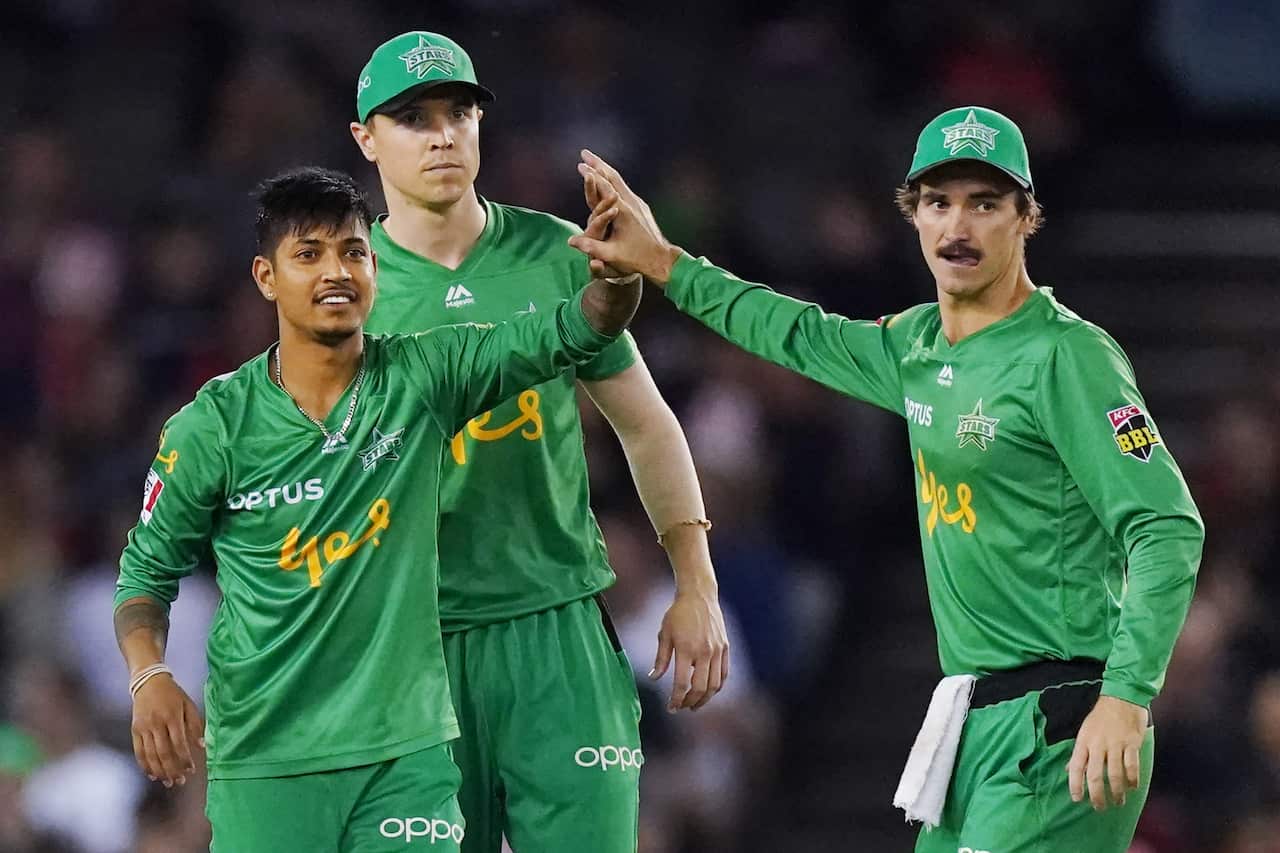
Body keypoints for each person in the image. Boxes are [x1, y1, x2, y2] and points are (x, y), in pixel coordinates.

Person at [569, 106, 1205, 853]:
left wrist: (1127, 696)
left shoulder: (1067, 357)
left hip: (1061, 721)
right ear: (914, 216)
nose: (958, 225)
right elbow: (797, 333)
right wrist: (669, 263)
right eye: (939, 202)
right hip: (972, 722)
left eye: (985, 202)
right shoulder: (918, 345)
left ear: (1026, 218)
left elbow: (1166, 525)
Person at [112, 166, 639, 853]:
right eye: (309, 254)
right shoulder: (213, 426)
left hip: (408, 753)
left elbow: (574, 330)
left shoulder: (425, 377)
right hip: (269, 754)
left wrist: (622, 278)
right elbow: (143, 576)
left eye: (354, 252)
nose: (337, 271)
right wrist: (149, 674)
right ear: (266, 277)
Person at [348, 31, 729, 853]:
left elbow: (646, 420)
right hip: (411, 645)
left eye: (460, 112)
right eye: (414, 117)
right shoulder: (344, 291)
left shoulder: (558, 254)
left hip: (554, 631)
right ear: (366, 139)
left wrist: (695, 582)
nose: (444, 134)